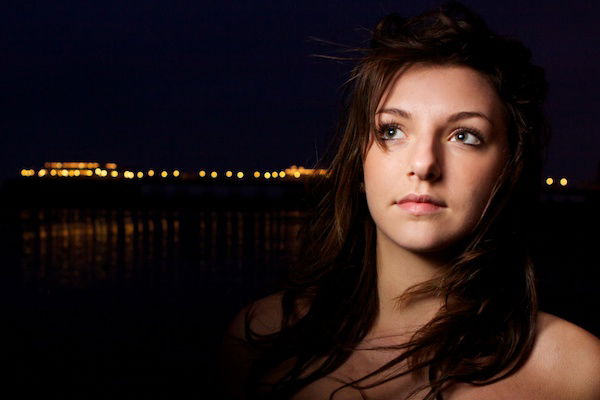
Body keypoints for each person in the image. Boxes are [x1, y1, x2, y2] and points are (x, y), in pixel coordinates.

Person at [220, 2, 600, 399]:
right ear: (358, 161)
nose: (423, 164)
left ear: (508, 171)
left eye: (465, 136)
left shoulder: (577, 373)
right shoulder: (261, 337)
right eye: (392, 130)